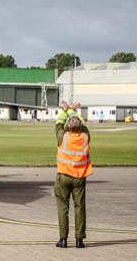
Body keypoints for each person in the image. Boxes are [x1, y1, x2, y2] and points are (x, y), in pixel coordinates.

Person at [54, 101, 93, 248]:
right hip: (79, 177)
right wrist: (74, 111)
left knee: (63, 208)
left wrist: (66, 110)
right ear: (80, 128)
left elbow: (58, 124)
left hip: (63, 175)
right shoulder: (85, 137)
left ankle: (63, 239)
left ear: (68, 127)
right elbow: (83, 126)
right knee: (79, 207)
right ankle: (79, 240)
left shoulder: (62, 136)